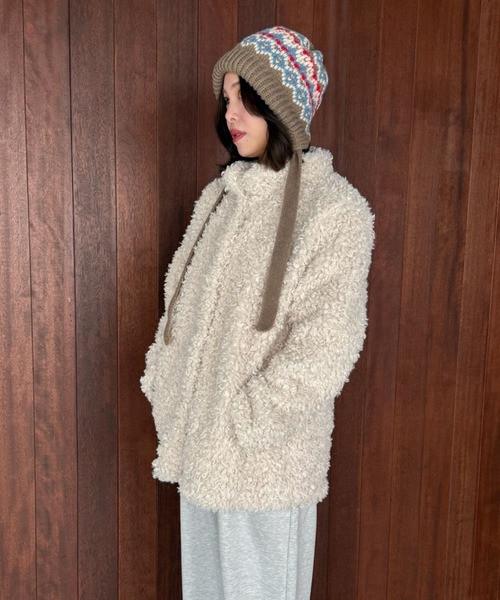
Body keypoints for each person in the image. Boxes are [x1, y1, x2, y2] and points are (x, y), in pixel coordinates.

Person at [141, 25, 374, 600]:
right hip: (200, 451)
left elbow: (327, 348)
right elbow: (181, 304)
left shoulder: (335, 211)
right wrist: (166, 385)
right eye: (226, 99)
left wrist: (248, 420)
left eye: (244, 97)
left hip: (266, 463)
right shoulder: (223, 197)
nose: (230, 113)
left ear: (280, 104)